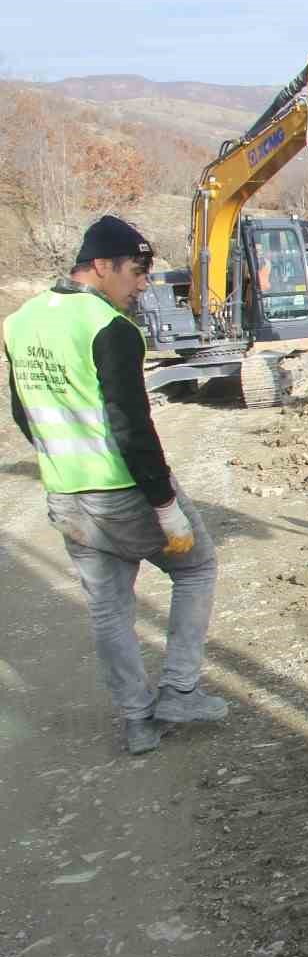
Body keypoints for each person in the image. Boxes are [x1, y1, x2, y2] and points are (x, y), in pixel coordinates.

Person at [3, 215, 225, 756]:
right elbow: (131, 424)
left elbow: (22, 411)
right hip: (121, 490)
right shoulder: (111, 329)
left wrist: (61, 461)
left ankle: (137, 721)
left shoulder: (21, 321)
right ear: (101, 266)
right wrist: (164, 503)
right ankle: (178, 688)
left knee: (108, 608)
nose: (144, 283)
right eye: (136, 271)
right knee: (197, 567)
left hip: (66, 494)